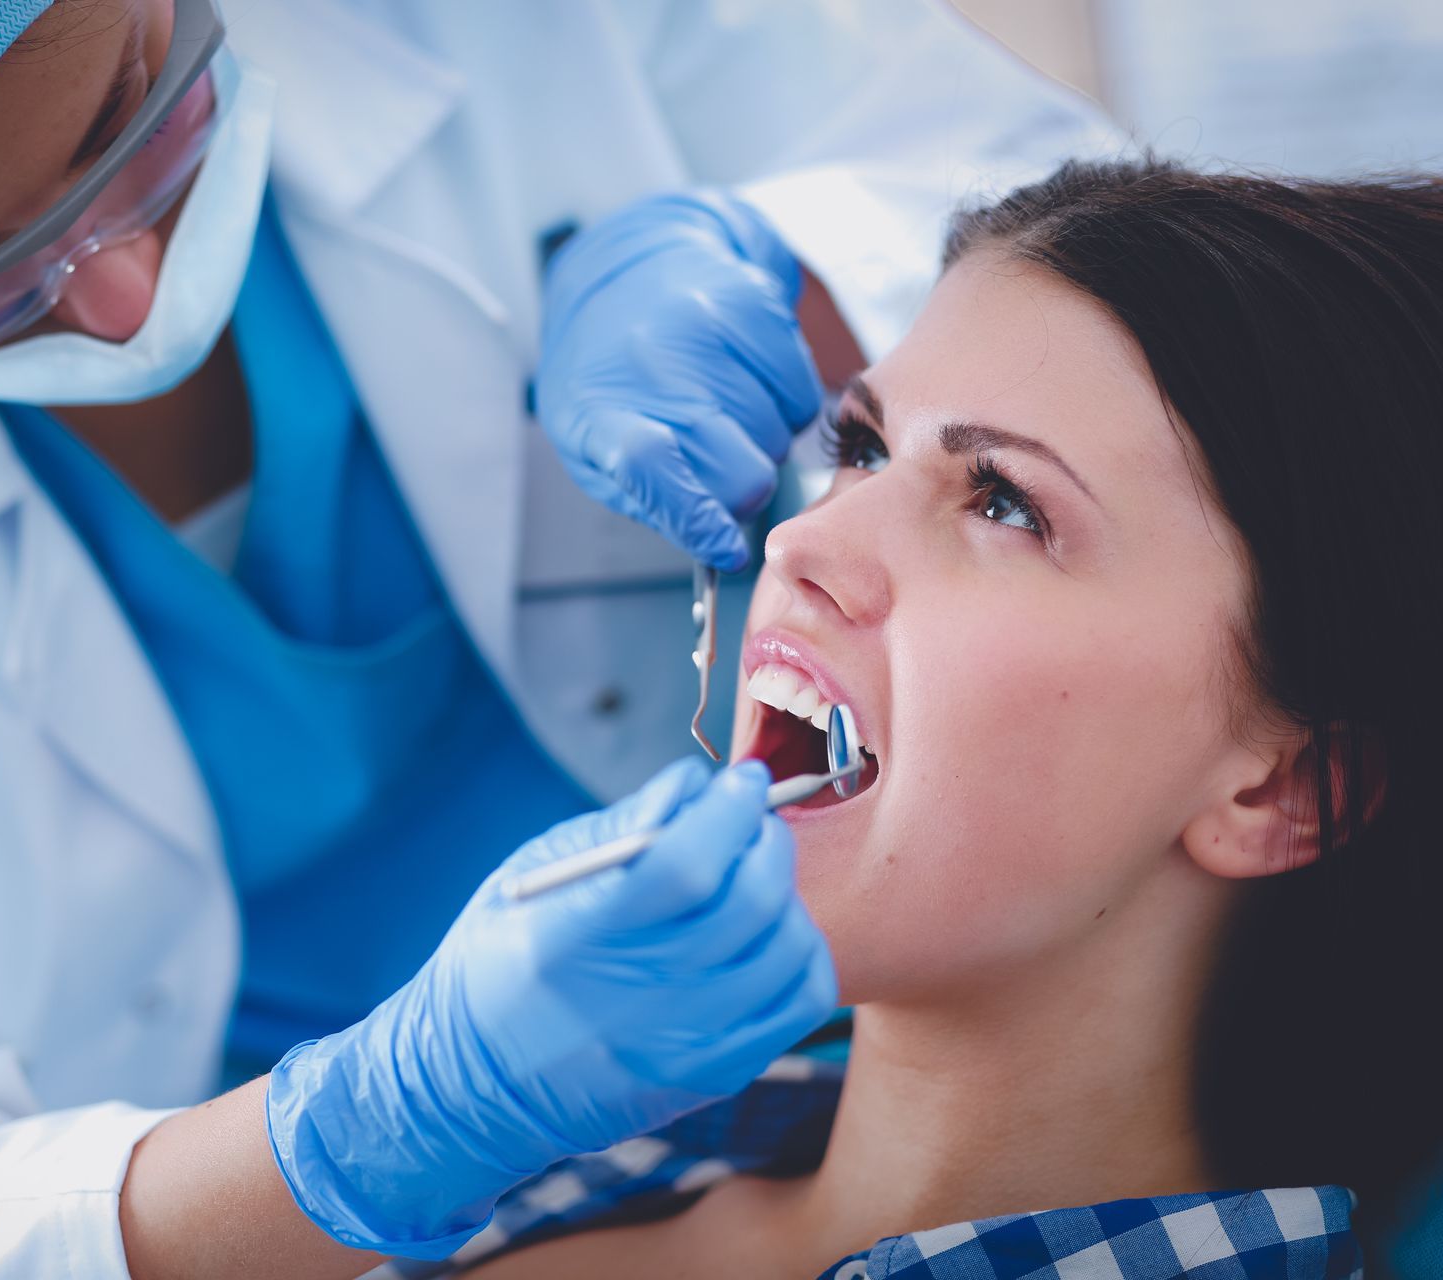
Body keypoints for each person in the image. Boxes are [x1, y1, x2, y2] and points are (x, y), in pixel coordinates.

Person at [0, 0, 1110, 1275]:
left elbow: (1143, 273)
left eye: (131, 126)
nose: (127, 297)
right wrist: (368, 1131)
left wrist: (802, 269)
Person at [354, 159, 1443, 1279]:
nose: (795, 545)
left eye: (1005, 502)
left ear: (1283, 789)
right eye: (861, 447)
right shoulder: (604, 1154)